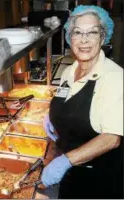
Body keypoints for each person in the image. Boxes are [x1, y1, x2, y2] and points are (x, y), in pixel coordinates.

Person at [42, 5, 123, 199]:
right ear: (70, 38)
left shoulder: (115, 78)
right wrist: (52, 115)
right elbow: (64, 98)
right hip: (70, 173)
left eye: (92, 32)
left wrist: (64, 162)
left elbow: (112, 138)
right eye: (77, 32)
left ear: (103, 37)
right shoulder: (70, 71)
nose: (84, 40)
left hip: (99, 179)